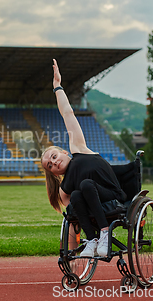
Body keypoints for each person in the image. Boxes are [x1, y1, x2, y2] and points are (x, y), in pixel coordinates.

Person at [41, 59, 126, 258]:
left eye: (54, 156)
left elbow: (68, 114)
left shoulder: (78, 148)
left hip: (112, 198)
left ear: (64, 152)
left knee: (86, 185)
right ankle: (93, 240)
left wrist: (58, 87)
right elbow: (72, 219)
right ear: (53, 172)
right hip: (92, 207)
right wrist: (68, 255)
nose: (54, 162)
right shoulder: (64, 190)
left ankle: (104, 234)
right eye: (50, 165)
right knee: (78, 195)